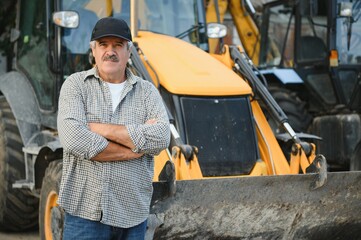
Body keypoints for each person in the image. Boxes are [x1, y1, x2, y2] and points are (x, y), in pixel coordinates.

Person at [57, 17, 170, 239]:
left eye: (118, 45)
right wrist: (135, 148)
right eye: (104, 45)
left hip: (133, 217)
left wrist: (98, 129)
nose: (111, 51)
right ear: (93, 50)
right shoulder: (75, 85)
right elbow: (74, 139)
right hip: (86, 216)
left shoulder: (147, 92)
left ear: (129, 52)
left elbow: (161, 137)